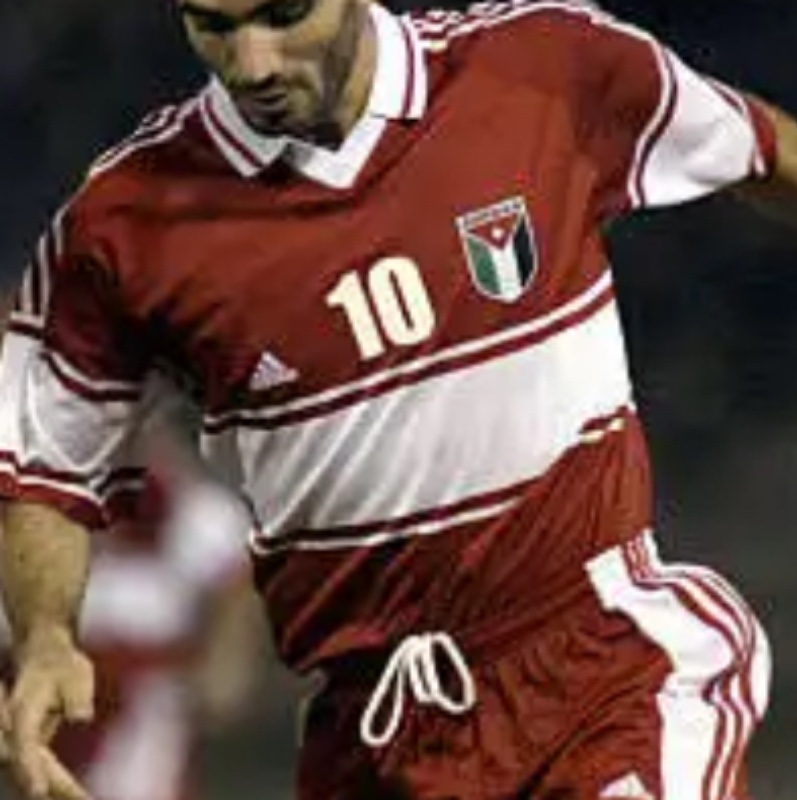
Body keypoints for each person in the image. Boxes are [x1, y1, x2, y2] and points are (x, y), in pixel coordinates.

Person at [0, 0, 795, 797]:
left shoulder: (547, 65)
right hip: (374, 734)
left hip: (598, 669)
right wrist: (44, 637)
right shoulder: (125, 221)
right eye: (215, 26)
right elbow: (43, 462)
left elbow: (765, 151)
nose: (253, 63)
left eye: (284, 15)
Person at [0, 401, 263, 800]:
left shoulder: (174, 502)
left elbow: (232, 572)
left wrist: (224, 668)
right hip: (34, 678)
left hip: (139, 697)